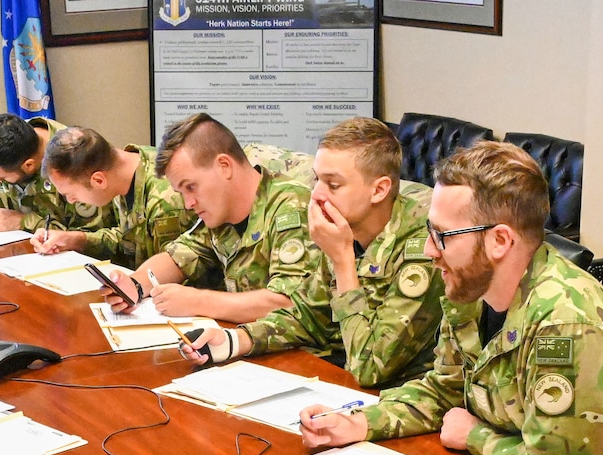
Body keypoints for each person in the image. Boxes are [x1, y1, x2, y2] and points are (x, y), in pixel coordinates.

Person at [300, 141, 603, 455]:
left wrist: (474, 436)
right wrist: (362, 422)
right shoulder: (470, 286)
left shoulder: (565, 323)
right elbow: (446, 390)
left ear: (500, 240)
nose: (429, 250)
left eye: (443, 236)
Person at [181, 117, 442, 390]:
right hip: (339, 381)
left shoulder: (423, 250)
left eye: (333, 184)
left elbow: (371, 367)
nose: (316, 194)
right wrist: (233, 341)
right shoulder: (342, 227)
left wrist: (343, 263)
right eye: (317, 179)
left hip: (398, 400)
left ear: (379, 190)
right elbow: (307, 316)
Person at [101, 113, 333, 353]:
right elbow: (181, 254)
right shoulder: (220, 209)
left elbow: (289, 303)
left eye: (191, 187)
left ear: (224, 166)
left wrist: (198, 301)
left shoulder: (292, 207)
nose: (188, 203)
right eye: (181, 192)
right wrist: (135, 285)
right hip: (248, 348)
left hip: (306, 357)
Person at [32, 124, 192, 270]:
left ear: (98, 180)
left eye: (71, 194)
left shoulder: (165, 201)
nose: (70, 201)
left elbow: (173, 272)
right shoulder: (121, 170)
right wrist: (74, 240)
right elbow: (129, 240)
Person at [0, 112, 112, 236]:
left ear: (29, 165)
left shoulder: (77, 161)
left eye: (2, 178)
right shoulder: (17, 141)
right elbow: (14, 191)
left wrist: (23, 222)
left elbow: (89, 239)